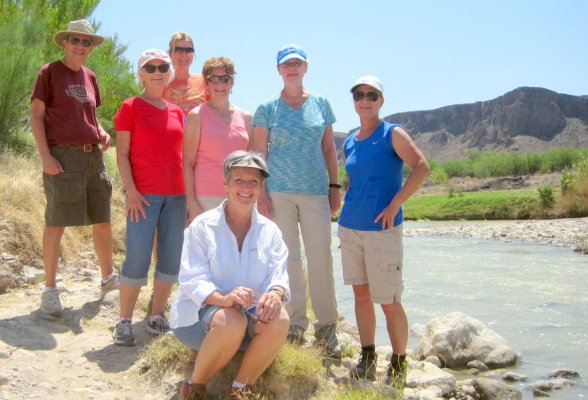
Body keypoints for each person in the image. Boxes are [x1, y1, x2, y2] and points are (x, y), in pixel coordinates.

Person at [170, 150, 290, 400]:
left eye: (253, 182)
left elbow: (279, 275)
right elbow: (192, 280)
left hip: (248, 320)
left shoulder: (271, 231)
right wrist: (224, 299)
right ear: (225, 184)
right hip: (197, 319)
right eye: (239, 180)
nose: (246, 188)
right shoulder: (201, 227)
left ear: (261, 187)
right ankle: (194, 389)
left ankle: (240, 392)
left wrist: (275, 293)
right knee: (231, 320)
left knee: (280, 317)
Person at [250, 44, 341, 358]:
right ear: (279, 70)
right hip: (279, 192)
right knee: (287, 260)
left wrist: (334, 186)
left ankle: (328, 325)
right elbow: (258, 153)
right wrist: (261, 192)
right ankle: (295, 323)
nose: (292, 69)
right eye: (286, 64)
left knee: (321, 259)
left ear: (306, 67)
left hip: (316, 192)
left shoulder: (321, 104)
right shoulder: (267, 108)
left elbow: (329, 148)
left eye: (297, 64)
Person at [338, 76, 430, 385]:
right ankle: (367, 355)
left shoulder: (392, 133)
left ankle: (400, 362)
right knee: (361, 294)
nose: (364, 100)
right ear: (354, 100)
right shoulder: (350, 139)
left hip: (383, 230)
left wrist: (395, 204)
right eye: (359, 95)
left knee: (389, 300)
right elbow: (354, 180)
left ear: (381, 100)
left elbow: (421, 167)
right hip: (350, 228)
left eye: (371, 95)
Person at [30, 19, 118, 317]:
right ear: (65, 42)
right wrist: (46, 157)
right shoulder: (49, 72)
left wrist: (102, 132)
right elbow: (37, 117)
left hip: (93, 157)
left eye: (87, 42)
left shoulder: (90, 76)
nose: (82, 46)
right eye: (76, 41)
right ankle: (50, 290)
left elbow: (89, 116)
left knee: (102, 220)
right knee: (56, 222)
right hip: (62, 157)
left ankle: (108, 281)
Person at [112, 49, 186, 346]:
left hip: (177, 196)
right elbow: (121, 152)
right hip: (142, 196)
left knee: (170, 257)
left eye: (162, 67)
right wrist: (130, 190)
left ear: (169, 72)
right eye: (150, 67)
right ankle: (124, 321)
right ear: (141, 73)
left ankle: (156, 316)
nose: (157, 72)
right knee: (138, 255)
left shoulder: (177, 111)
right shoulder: (130, 107)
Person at [184, 56, 252, 224]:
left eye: (225, 78)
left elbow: (253, 163)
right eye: (214, 79)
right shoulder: (196, 116)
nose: (220, 84)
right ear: (206, 83)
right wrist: (192, 204)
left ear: (232, 83)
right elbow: (187, 163)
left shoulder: (246, 117)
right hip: (206, 197)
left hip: (241, 195)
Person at [164, 32, 207, 116]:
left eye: (188, 50)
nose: (183, 54)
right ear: (170, 53)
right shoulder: (161, 84)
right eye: (178, 49)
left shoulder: (205, 82)